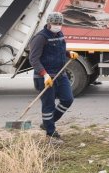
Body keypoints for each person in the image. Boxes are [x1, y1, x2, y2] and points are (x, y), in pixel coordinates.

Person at [28, 11, 78, 142]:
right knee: (48, 105)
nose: (58, 25)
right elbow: (33, 59)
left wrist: (68, 53)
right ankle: (51, 133)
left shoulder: (59, 34)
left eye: (60, 23)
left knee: (68, 99)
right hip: (45, 77)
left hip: (61, 74)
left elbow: (59, 50)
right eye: (55, 23)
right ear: (49, 23)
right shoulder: (40, 37)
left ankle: (47, 123)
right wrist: (44, 75)